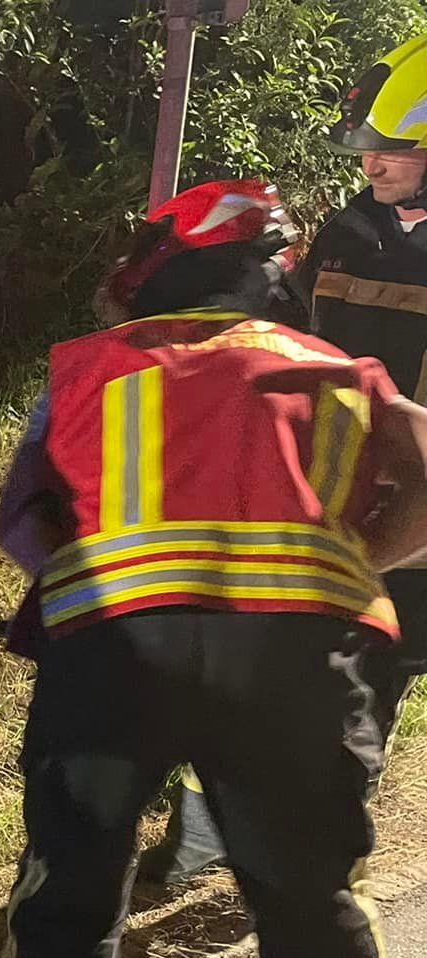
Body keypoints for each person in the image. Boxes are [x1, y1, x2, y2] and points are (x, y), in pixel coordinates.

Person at [0, 180, 427, 958]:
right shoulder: (339, 374)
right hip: (295, 675)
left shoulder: (87, 370)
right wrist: (356, 557)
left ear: (157, 269)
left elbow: (22, 523)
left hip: (113, 666)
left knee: (71, 897)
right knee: (311, 906)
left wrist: (94, 583)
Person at [142, 36, 427, 884]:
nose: (373, 161)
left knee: (366, 679)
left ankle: (294, 845)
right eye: (369, 146)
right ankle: (244, 824)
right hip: (320, 493)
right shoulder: (348, 232)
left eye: (395, 149)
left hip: (414, 508)